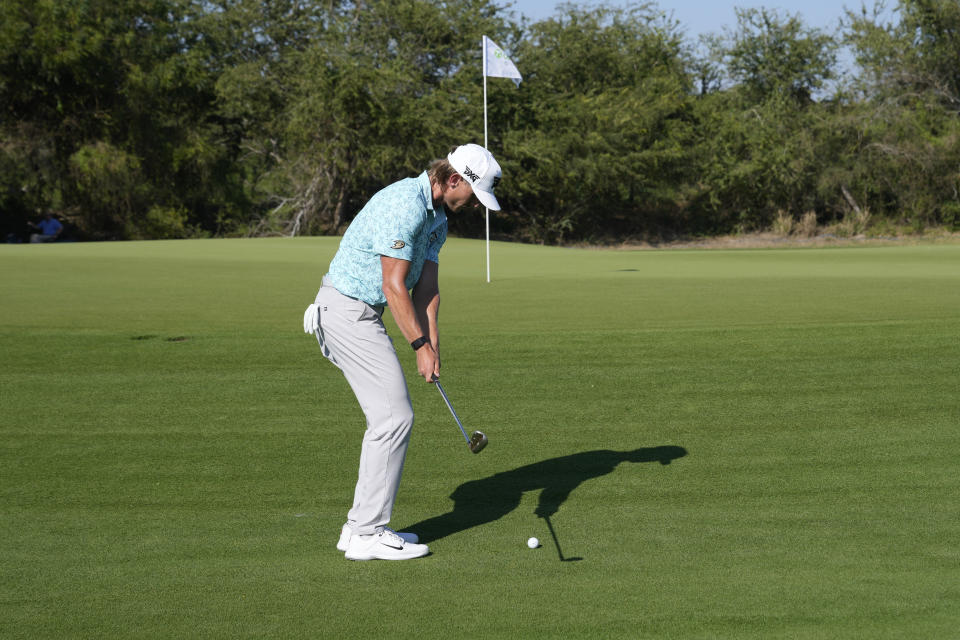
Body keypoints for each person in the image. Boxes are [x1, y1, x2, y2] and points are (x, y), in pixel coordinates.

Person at [303, 143, 502, 561]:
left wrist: (433, 345)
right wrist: (417, 346)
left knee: (390, 416)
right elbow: (394, 287)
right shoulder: (404, 206)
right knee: (394, 417)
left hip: (363, 314)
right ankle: (367, 533)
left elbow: (426, 290)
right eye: (472, 193)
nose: (473, 204)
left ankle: (356, 527)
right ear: (453, 180)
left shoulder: (438, 220)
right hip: (345, 311)